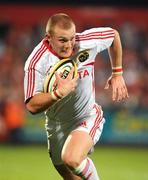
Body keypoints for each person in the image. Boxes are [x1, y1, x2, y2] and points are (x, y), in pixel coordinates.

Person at [24, 13, 129, 180]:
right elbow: (31, 105)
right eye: (63, 40)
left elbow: (113, 35)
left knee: (71, 158)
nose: (69, 45)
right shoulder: (37, 62)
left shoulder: (86, 41)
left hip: (86, 116)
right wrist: (57, 94)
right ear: (48, 37)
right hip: (56, 125)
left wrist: (117, 73)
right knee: (69, 173)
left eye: (72, 38)